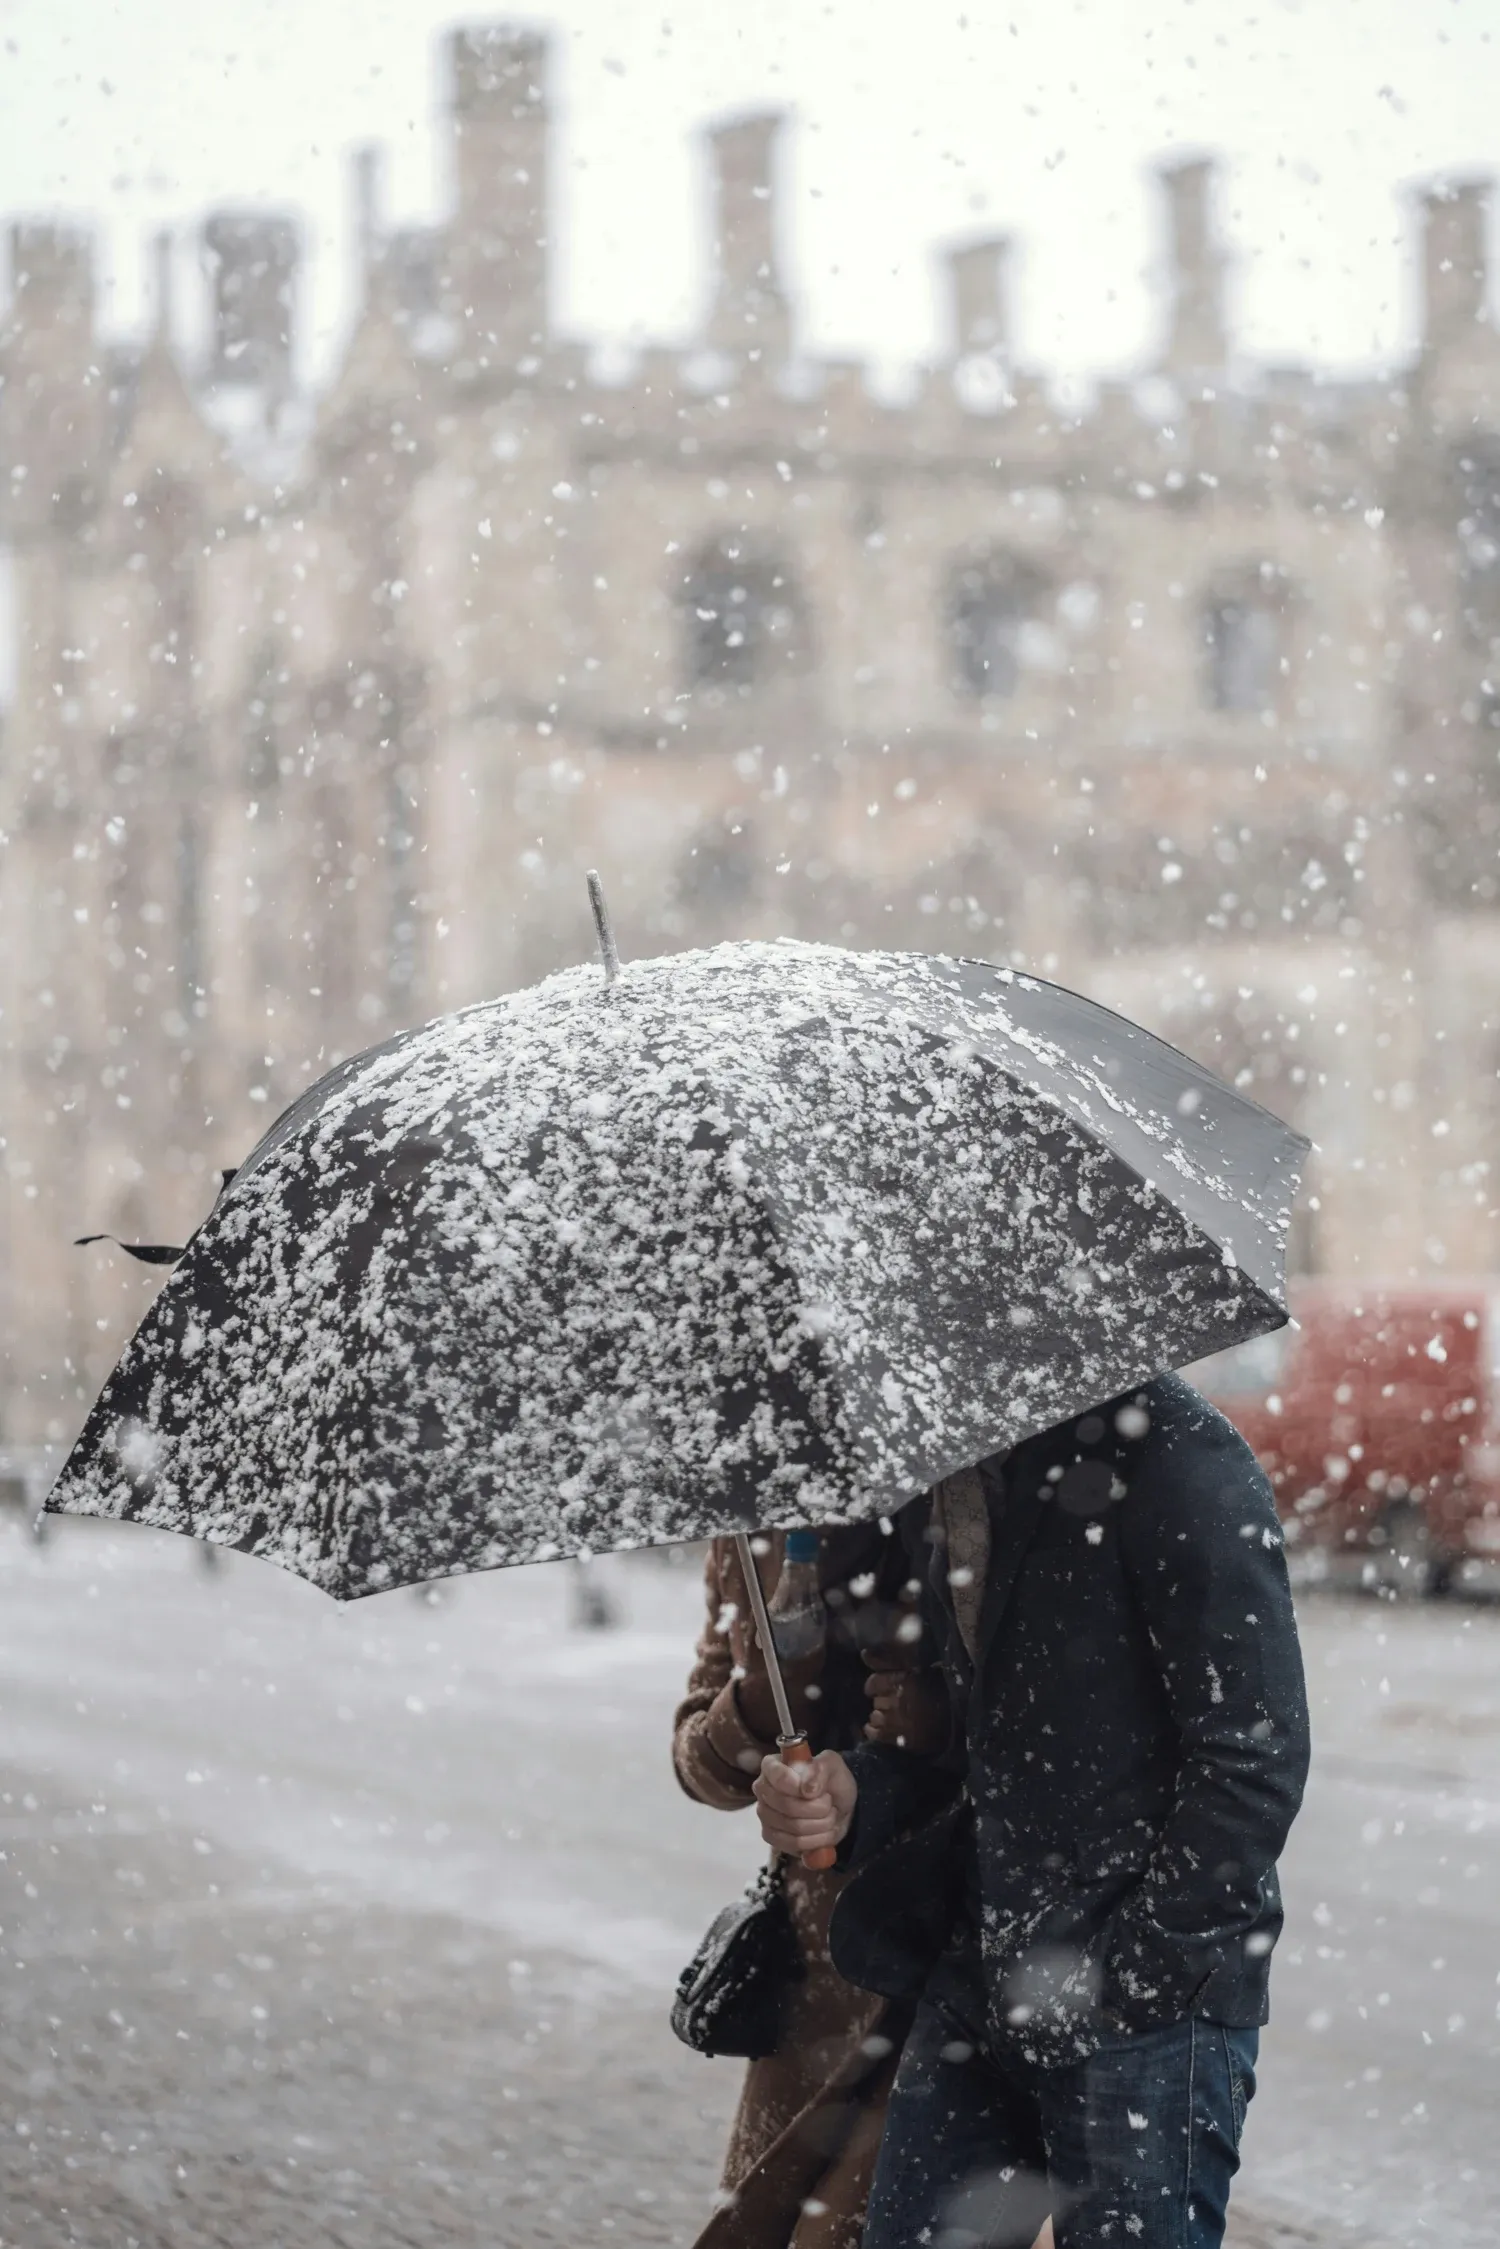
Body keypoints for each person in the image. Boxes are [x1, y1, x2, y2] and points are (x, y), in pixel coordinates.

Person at [751, 1374, 1311, 2249]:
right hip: (982, 1981)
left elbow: (1255, 1756)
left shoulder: (1177, 1455)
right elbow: (974, 1755)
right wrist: (857, 1792)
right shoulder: (964, 1469)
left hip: (1143, 2008)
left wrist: (1136, 1975)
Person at [673, 1523, 947, 2249]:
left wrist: (932, 1722)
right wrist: (766, 1695)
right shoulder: (746, 1531)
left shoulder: (955, 1497)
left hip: (946, 1940)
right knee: (777, 2216)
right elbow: (698, 1762)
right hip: (817, 1967)